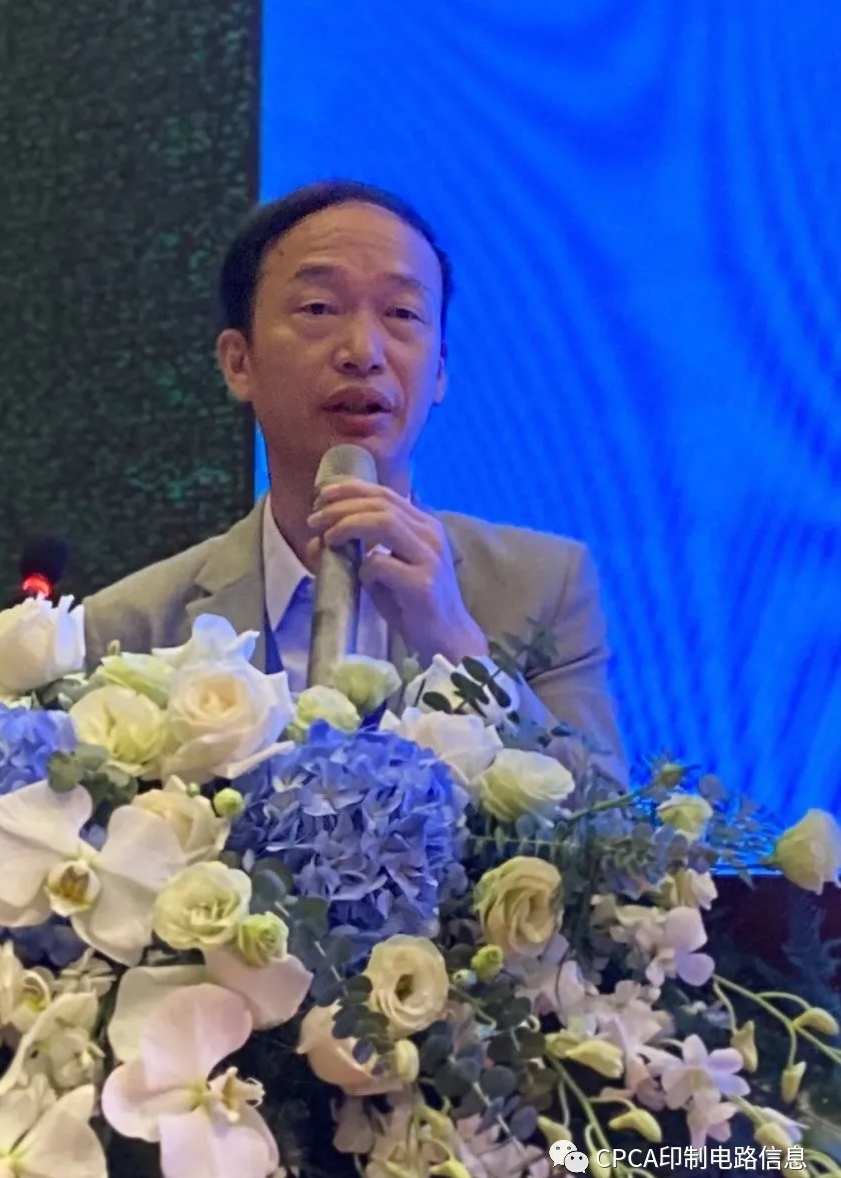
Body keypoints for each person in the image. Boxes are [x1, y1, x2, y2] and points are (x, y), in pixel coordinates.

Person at [83, 180, 627, 785]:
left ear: (440, 370)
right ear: (239, 362)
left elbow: (608, 824)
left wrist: (455, 644)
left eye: (402, 314)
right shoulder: (129, 629)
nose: (363, 351)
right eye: (319, 309)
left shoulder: (543, 587)